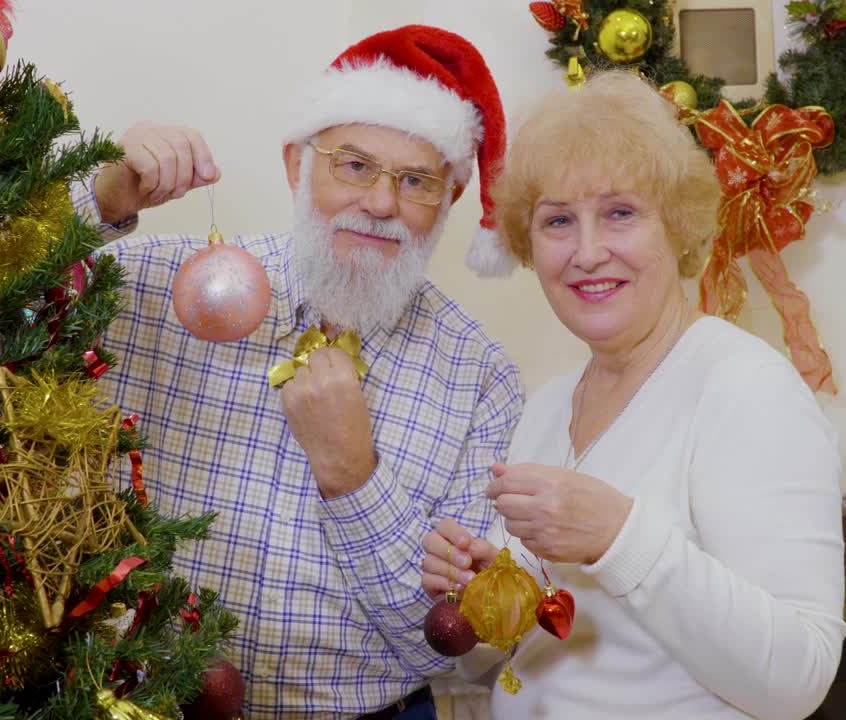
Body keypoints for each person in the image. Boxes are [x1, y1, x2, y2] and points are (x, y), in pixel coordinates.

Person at [72, 26, 526, 719]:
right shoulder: (167, 285)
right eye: (354, 165)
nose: (380, 203)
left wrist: (352, 474)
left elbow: (442, 644)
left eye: (416, 181)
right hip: (127, 704)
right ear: (296, 165)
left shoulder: (481, 377)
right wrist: (101, 196)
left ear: (450, 202)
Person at [420, 71, 846, 719]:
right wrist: (491, 599)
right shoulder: (546, 409)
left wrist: (620, 537)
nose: (588, 252)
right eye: (558, 220)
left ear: (676, 227)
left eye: (620, 213)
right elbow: (516, 664)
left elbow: (798, 678)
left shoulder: (745, 389)